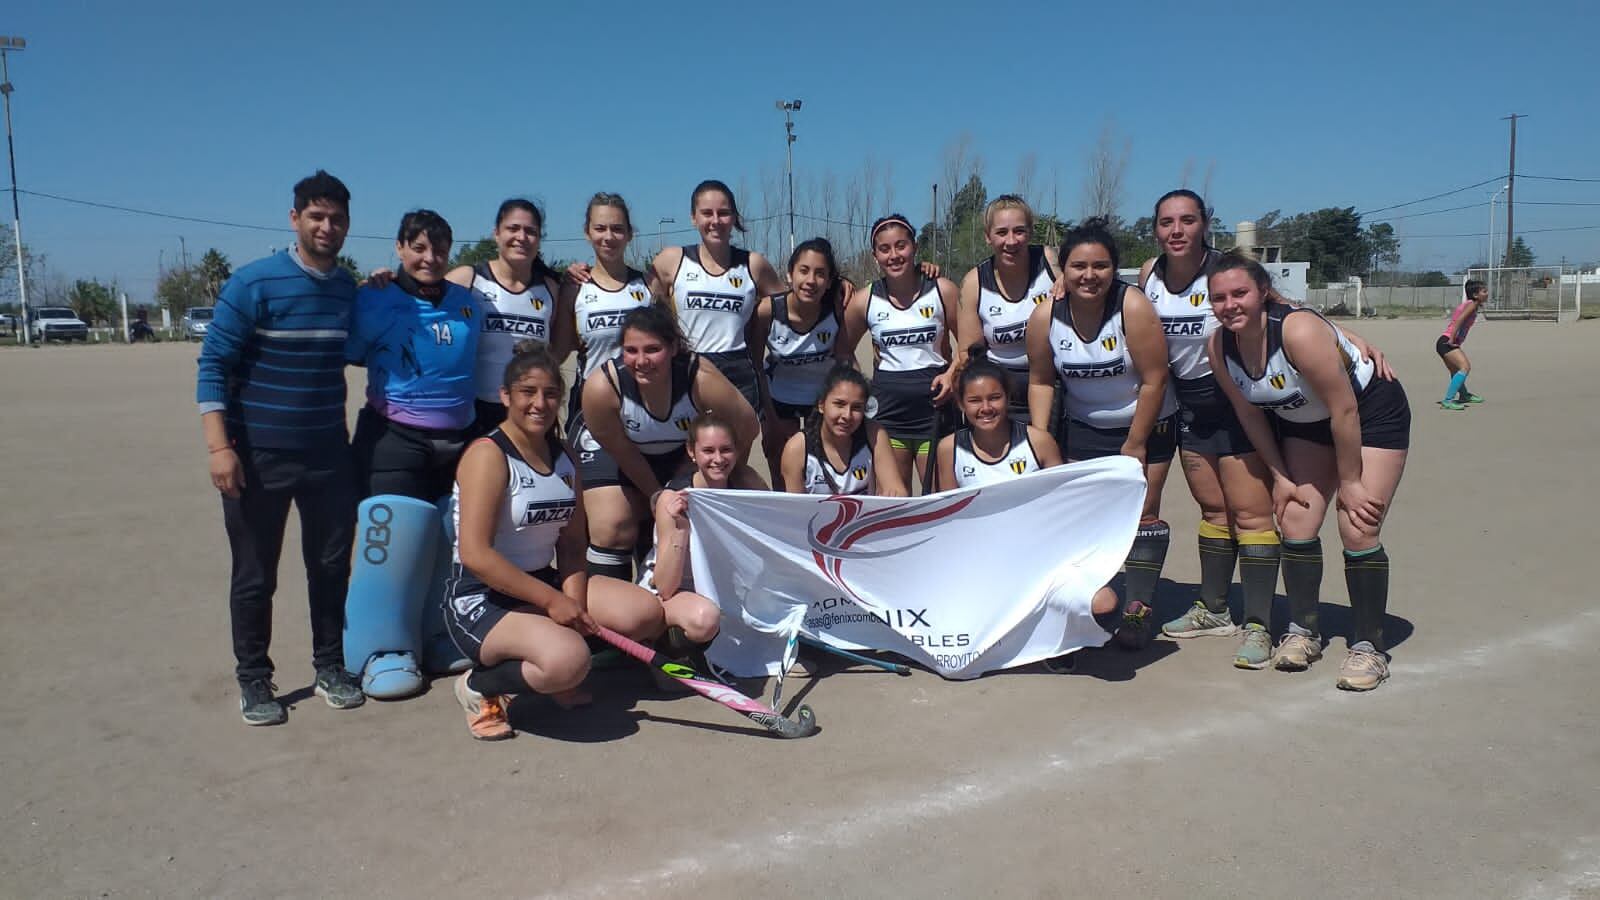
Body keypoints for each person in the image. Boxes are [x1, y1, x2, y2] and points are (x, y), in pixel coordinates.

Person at [195, 170, 365, 725]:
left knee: (330, 566)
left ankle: (330, 666)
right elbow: (213, 367)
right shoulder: (253, 284)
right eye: (316, 216)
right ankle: (254, 678)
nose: (326, 226)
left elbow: (365, 341)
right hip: (258, 456)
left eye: (336, 218)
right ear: (295, 220)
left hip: (328, 455)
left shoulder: (347, 290)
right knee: (254, 574)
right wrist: (220, 448)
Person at [1208, 251, 1411, 690]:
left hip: (1368, 413)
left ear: (1263, 292)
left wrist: (1351, 482)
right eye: (1219, 298)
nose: (1230, 305)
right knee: (1296, 519)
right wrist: (1280, 475)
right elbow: (1249, 415)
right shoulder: (1219, 346)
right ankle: (1304, 630)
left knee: (1357, 525)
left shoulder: (1296, 331)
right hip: (1306, 422)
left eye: (1240, 293)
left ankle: (1369, 647)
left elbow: (1344, 408)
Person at [447, 341, 666, 740]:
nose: (539, 404)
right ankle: (480, 688)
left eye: (550, 394)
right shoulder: (488, 455)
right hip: (479, 598)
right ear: (505, 396)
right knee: (569, 660)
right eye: (527, 392)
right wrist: (553, 603)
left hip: (539, 582)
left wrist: (575, 605)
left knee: (644, 613)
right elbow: (475, 555)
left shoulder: (564, 454)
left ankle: (557, 664)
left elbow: (571, 545)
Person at [1135, 190, 1283, 665]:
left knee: (1252, 514)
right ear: (1155, 229)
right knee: (1215, 510)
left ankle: (1260, 625)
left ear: (1205, 224)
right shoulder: (1148, 275)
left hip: (1237, 401)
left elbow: (1284, 309)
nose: (1176, 231)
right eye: (1166, 222)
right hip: (1188, 408)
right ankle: (1215, 609)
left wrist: (1352, 338)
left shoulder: (1226, 271)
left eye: (1187, 220)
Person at [1026, 218, 1175, 648]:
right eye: (1078, 266)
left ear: (1114, 269)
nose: (1089, 275)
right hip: (1083, 430)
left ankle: (1138, 611)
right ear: (1064, 272)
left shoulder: (1132, 306)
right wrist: (1040, 437)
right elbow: (1039, 379)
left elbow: (1154, 378)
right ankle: (1088, 607)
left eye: (1101, 266)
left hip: (1145, 426)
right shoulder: (1045, 316)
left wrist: (1136, 442)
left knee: (1142, 518)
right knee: (1083, 524)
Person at [572, 305, 758, 582]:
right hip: (621, 453)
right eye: (631, 350)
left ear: (672, 348)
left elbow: (747, 427)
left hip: (681, 454)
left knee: (751, 489)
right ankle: (610, 610)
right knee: (614, 523)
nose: (641, 360)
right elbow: (620, 449)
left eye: (652, 349)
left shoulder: (701, 379)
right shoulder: (603, 387)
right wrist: (657, 493)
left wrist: (699, 479)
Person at [347, 209, 480, 502]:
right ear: (399, 247)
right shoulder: (374, 298)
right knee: (398, 547)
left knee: (452, 547)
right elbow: (352, 354)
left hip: (462, 441)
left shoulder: (466, 301)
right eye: (419, 248)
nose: (430, 259)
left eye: (440, 251)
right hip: (396, 441)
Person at [839, 214, 962, 489]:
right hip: (889, 413)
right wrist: (863, 388)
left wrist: (952, 374)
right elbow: (842, 350)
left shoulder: (942, 289)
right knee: (895, 501)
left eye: (901, 246)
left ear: (914, 247)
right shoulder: (864, 300)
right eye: (885, 249)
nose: (894, 255)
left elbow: (969, 344)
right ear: (875, 256)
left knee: (939, 499)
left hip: (935, 410)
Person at [638, 413, 767, 667]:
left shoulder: (747, 483)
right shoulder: (673, 498)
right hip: (674, 590)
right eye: (708, 450)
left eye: (726, 450)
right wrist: (681, 528)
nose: (718, 459)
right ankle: (668, 645)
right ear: (691, 451)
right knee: (704, 619)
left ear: (737, 451)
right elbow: (665, 586)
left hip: (722, 584)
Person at [650, 180, 787, 417]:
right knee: (692, 451)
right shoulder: (672, 260)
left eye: (723, 213)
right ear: (694, 217)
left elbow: (793, 305)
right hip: (688, 369)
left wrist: (839, 285)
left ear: (734, 217)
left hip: (739, 372)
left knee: (732, 451)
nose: (715, 221)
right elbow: (631, 296)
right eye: (707, 213)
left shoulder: (753, 264)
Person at [451, 198, 561, 433]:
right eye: (513, 228)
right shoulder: (468, 280)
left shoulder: (550, 289)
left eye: (530, 231)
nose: (521, 237)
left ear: (539, 238)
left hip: (530, 414)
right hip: (477, 413)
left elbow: (558, 351)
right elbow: (417, 293)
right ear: (496, 233)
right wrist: (386, 280)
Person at [956, 195, 1060, 423]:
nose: (1011, 241)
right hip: (1002, 395)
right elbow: (968, 354)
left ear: (1030, 232)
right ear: (987, 237)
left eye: (1019, 231)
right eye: (1002, 232)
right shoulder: (974, 283)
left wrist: (1068, 282)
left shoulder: (1050, 263)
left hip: (1053, 387)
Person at [756, 238, 850, 489]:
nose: (811, 281)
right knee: (780, 465)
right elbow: (755, 367)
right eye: (804, 271)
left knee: (820, 468)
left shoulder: (837, 308)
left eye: (820, 274)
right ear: (789, 274)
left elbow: (845, 360)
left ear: (830, 281)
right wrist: (771, 419)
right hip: (778, 398)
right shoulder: (768, 311)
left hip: (818, 400)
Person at [936, 346, 1063, 488]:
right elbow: (951, 507)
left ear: (1008, 398)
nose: (986, 408)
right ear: (961, 404)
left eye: (994, 398)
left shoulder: (1039, 442)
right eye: (975, 400)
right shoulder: (949, 449)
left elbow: (1060, 500)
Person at [780, 364, 907, 496]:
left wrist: (893, 495)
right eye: (839, 404)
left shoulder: (874, 434)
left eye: (857, 407)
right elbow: (794, 511)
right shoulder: (797, 449)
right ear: (821, 405)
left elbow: (897, 491)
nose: (847, 415)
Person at [1437, 279, 1487, 410]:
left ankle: (1464, 395)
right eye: (1484, 291)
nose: (1487, 294)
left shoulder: (1472, 304)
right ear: (1476, 295)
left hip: (1445, 341)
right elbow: (1459, 321)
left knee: (1456, 370)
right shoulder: (1472, 304)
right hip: (1446, 341)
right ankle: (1447, 401)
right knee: (1465, 367)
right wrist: (1452, 339)